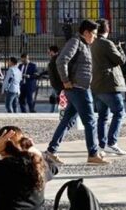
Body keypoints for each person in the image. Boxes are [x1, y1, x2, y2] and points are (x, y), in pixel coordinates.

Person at [45, 19, 108, 165]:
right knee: (90, 121)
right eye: (93, 34)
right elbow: (61, 61)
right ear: (85, 32)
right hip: (78, 88)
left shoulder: (84, 44)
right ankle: (93, 154)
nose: (94, 37)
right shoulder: (75, 42)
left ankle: (51, 151)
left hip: (79, 88)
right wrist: (66, 81)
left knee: (67, 120)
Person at [90, 19, 126, 156]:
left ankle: (102, 144)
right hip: (109, 84)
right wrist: (119, 48)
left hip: (96, 84)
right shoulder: (107, 43)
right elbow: (120, 60)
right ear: (107, 29)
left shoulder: (92, 43)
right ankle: (112, 143)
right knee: (119, 112)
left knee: (102, 116)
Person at [46, 45, 60, 113]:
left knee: (57, 98)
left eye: (49, 52)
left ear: (52, 52)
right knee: (53, 98)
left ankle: (55, 112)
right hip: (55, 83)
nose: (48, 54)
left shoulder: (57, 59)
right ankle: (52, 112)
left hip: (57, 83)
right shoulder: (54, 59)